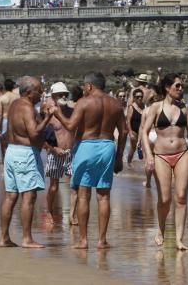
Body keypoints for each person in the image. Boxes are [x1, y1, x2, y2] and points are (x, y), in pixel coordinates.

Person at [51, 71, 127, 250]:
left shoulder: (84, 102)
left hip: (87, 146)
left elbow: (70, 126)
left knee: (84, 194)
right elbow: (124, 132)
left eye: (85, 86)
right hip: (107, 146)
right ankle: (101, 240)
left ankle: (84, 240)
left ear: (90, 86)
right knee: (103, 196)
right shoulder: (115, 104)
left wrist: (57, 113)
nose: (84, 89)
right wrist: (119, 157)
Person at [139, 72, 188, 250]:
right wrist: (148, 155)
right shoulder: (156, 107)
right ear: (167, 88)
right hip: (161, 155)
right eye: (177, 86)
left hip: (182, 154)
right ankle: (161, 230)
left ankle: (179, 238)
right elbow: (144, 132)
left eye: (181, 86)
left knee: (181, 197)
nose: (180, 89)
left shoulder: (185, 108)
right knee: (164, 199)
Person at [0, 76, 50, 249]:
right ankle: (27, 238)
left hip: (12, 152)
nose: (41, 94)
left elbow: (8, 133)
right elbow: (34, 133)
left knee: (10, 196)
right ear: (29, 92)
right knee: (28, 197)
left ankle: (4, 237)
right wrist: (48, 118)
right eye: (39, 90)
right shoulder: (27, 107)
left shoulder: (14, 105)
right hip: (25, 154)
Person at [43, 82, 75, 224]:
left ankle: (72, 214)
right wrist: (53, 149)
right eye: (59, 94)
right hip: (55, 153)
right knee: (54, 186)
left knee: (76, 186)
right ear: (53, 96)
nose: (63, 96)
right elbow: (41, 136)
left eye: (65, 94)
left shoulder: (73, 111)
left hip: (72, 153)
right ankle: (49, 211)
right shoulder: (49, 113)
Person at [0, 78, 18, 159]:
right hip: (15, 120)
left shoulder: (1, 98)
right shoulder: (17, 97)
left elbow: (0, 114)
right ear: (13, 87)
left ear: (4, 87)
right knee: (14, 142)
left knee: (3, 143)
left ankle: (5, 161)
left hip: (5, 120)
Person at [125, 87, 146, 168]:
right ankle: (129, 162)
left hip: (143, 130)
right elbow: (128, 121)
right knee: (133, 148)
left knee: (144, 146)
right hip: (134, 130)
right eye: (137, 97)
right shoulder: (131, 107)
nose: (139, 98)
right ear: (134, 98)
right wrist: (130, 132)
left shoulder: (144, 106)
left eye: (141, 96)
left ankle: (144, 163)